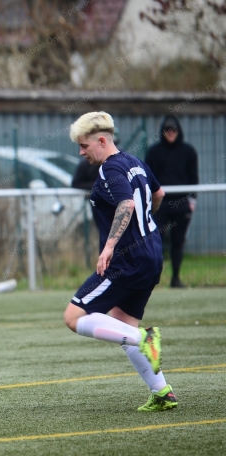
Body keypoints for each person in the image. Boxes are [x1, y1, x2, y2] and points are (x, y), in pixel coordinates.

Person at [64, 111, 176, 412]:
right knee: (122, 325)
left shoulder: (109, 170)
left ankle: (145, 338)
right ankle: (162, 391)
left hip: (127, 260)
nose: (81, 152)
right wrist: (145, 224)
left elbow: (126, 203)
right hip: (151, 254)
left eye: (84, 145)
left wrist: (110, 245)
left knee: (74, 317)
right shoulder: (135, 162)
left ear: (101, 140)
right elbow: (159, 193)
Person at [145, 115, 199, 288]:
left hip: (182, 203)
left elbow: (193, 178)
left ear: (178, 131)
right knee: (155, 242)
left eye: (173, 129)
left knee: (178, 242)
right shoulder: (153, 152)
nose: (171, 133)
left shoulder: (188, 151)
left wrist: (192, 201)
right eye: (167, 129)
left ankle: (175, 278)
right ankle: (153, 279)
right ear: (163, 131)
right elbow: (148, 178)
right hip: (159, 204)